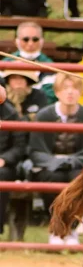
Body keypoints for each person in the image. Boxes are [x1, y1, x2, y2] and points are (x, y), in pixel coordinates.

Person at [30, 73, 83, 245]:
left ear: (80, 92)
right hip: (50, 165)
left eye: (74, 88)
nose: (70, 92)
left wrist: (72, 161)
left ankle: (72, 229)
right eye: (65, 88)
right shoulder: (44, 115)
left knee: (79, 178)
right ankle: (56, 230)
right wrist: (53, 162)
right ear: (57, 92)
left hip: (77, 165)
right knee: (52, 177)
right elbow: (35, 149)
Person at [4, 21, 56, 102]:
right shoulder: (5, 63)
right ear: (17, 41)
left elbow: (50, 95)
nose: (30, 43)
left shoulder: (50, 66)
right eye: (26, 39)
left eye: (35, 39)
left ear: (42, 41)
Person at [0, 96, 26, 239]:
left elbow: (19, 146)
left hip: (4, 164)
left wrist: (4, 159)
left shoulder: (11, 114)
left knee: (1, 175)